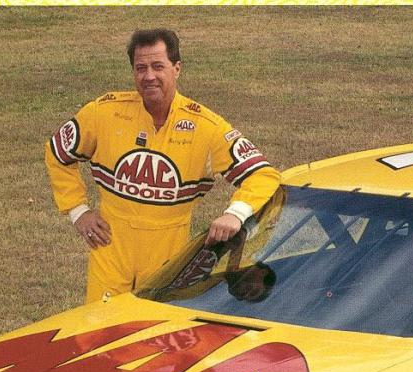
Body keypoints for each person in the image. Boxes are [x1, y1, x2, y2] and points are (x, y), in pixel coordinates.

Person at [45, 28, 282, 303]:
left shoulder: (206, 127)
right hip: (109, 252)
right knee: (101, 328)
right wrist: (78, 211)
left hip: (168, 259)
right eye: (140, 68)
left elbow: (263, 174)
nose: (149, 76)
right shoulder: (104, 113)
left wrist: (235, 214)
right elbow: (57, 152)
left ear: (176, 68)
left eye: (158, 66)